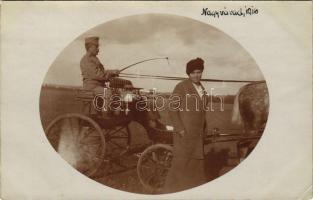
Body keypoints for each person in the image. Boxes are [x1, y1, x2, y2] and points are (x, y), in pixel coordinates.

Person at [163, 57, 208, 193]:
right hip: (184, 134)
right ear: (188, 74)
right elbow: (172, 108)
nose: (196, 75)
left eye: (199, 72)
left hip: (197, 135)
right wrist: (180, 129)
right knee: (180, 165)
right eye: (193, 72)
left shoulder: (203, 89)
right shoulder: (181, 87)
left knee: (196, 165)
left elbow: (202, 112)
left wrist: (204, 129)